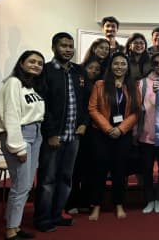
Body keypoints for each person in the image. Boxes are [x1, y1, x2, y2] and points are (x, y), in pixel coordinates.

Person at [34, 33, 87, 232]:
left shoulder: (78, 71)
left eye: (70, 46)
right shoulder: (46, 71)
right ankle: (42, 218)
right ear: (54, 47)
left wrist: (84, 123)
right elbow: (42, 105)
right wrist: (50, 133)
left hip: (73, 136)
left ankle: (57, 214)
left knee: (66, 177)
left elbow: (84, 100)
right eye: (63, 45)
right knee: (47, 179)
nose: (67, 49)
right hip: (54, 136)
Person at [0, 50, 47, 240]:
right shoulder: (13, 83)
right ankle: (11, 230)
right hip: (21, 136)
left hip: (36, 134)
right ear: (21, 63)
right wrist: (17, 146)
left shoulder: (31, 87)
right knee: (21, 185)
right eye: (32, 61)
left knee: (24, 184)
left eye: (40, 63)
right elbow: (11, 115)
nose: (36, 65)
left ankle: (14, 225)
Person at [88, 52, 142, 220]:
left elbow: (136, 111)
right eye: (116, 63)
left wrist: (121, 129)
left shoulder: (133, 86)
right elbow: (93, 108)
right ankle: (96, 205)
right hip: (101, 134)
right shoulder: (100, 84)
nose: (119, 67)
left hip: (122, 135)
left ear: (127, 67)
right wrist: (108, 128)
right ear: (111, 66)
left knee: (120, 170)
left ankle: (119, 204)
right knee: (99, 170)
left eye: (123, 64)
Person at [135, 52, 159, 214]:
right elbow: (136, 109)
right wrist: (135, 132)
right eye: (155, 63)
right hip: (146, 132)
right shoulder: (142, 83)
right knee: (147, 169)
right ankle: (149, 199)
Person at [65, 58, 101, 215]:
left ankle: (85, 201)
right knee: (74, 169)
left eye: (97, 69)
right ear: (84, 68)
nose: (93, 71)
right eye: (90, 67)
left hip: (94, 132)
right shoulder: (78, 84)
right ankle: (71, 201)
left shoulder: (99, 86)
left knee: (89, 169)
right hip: (78, 128)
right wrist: (83, 123)